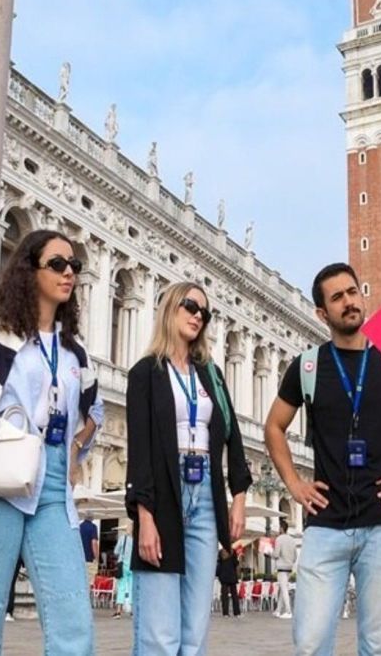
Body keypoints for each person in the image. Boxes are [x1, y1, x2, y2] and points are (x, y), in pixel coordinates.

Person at [264, 262, 381, 655]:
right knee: (309, 643)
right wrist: (294, 485)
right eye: (337, 297)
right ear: (322, 313)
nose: (348, 302)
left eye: (352, 293)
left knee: (377, 646)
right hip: (325, 526)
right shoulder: (307, 367)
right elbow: (273, 426)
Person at [0, 229, 104, 656]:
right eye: (57, 264)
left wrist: (72, 452)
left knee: (74, 617)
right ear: (28, 271)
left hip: (52, 488)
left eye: (74, 266)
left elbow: (94, 413)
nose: (69, 273)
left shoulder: (75, 353)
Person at [125, 281, 252, 655]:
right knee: (160, 632)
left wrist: (239, 497)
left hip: (206, 496)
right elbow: (141, 450)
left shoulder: (210, 375)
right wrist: (144, 516)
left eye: (205, 312)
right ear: (169, 308)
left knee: (195, 629)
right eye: (190, 306)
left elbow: (233, 434)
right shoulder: (145, 373)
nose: (198, 315)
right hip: (165, 491)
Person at [273, 519, 298, 619]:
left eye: (279, 527)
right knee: (283, 588)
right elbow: (295, 555)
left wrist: (270, 553)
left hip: (281, 567)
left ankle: (288, 611)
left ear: (281, 528)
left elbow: (276, 554)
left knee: (284, 589)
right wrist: (291, 562)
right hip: (289, 567)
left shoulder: (279, 539)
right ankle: (278, 610)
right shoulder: (292, 539)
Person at [112, 523, 134, 619]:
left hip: (123, 566)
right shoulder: (136, 539)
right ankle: (133, 611)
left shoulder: (123, 538)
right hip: (133, 566)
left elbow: (116, 551)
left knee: (121, 587)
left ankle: (118, 612)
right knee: (132, 587)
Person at [216, 548, 241, 618]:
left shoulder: (221, 552)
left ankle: (225, 613)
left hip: (223, 576)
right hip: (232, 575)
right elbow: (235, 563)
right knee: (234, 595)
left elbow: (219, 563)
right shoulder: (233, 551)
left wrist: (218, 574)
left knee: (224, 596)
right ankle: (237, 613)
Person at [80, 514, 100, 584]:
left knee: (80, 581)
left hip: (79, 559)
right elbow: (94, 543)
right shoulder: (93, 527)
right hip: (89, 559)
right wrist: (97, 558)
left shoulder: (79, 527)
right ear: (92, 518)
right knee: (89, 582)